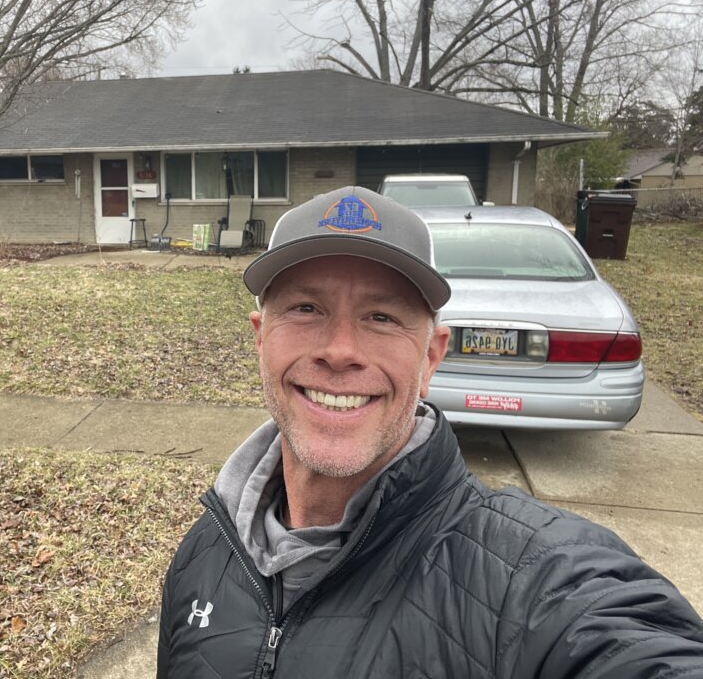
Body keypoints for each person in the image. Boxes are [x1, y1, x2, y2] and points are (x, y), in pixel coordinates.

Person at [156, 186, 703, 678]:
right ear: (260, 337)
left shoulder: (528, 580)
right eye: (305, 307)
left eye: (382, 317)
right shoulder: (207, 550)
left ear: (431, 358)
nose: (340, 350)